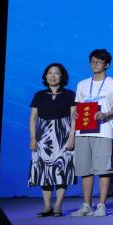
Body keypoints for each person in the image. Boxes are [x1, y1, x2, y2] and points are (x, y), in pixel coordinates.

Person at [71, 49, 113, 217]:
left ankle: (101, 205)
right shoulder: (82, 84)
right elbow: (77, 107)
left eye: (98, 61)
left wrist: (107, 114)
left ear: (106, 65)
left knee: (103, 169)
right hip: (83, 131)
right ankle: (86, 205)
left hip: (104, 131)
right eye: (92, 61)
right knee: (85, 169)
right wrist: (75, 113)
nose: (94, 64)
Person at [28, 63, 76, 217]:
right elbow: (33, 118)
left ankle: (58, 205)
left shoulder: (70, 94)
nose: (53, 76)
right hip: (43, 137)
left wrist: (72, 136)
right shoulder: (39, 95)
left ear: (62, 76)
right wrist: (33, 138)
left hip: (64, 135)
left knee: (62, 170)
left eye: (56, 73)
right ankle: (47, 206)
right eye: (50, 73)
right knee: (44, 171)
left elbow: (74, 118)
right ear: (45, 76)